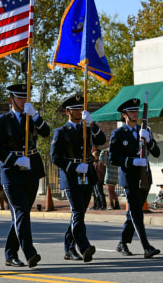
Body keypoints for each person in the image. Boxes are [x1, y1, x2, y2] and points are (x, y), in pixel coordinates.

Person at [0, 83, 50, 268]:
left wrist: (36, 116)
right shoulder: (3, 120)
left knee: (21, 215)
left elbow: (46, 132)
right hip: (12, 172)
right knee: (22, 212)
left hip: (31, 170)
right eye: (20, 98)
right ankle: (30, 253)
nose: (24, 101)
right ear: (11, 100)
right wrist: (13, 160)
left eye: (26, 97)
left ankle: (10, 254)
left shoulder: (31, 117)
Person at [50, 94, 106, 263]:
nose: (79, 111)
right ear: (68, 112)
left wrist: (91, 123)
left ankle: (68, 248)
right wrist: (74, 167)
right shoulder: (61, 132)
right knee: (77, 212)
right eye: (75, 109)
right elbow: (55, 157)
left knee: (79, 214)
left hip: (87, 174)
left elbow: (102, 140)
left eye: (81, 108)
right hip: (71, 176)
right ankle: (84, 247)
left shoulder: (87, 129)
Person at [109, 98, 161, 258]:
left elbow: (157, 153)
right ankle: (146, 246)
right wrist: (131, 161)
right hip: (129, 178)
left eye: (136, 111)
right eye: (131, 111)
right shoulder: (118, 134)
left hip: (144, 177)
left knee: (133, 212)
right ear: (124, 115)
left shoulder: (145, 130)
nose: (135, 114)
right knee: (137, 212)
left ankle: (122, 243)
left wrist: (150, 140)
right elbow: (113, 158)